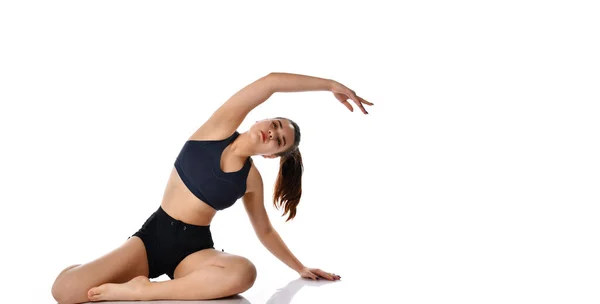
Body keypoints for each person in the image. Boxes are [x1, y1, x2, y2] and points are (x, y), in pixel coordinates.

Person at [51, 72, 374, 303]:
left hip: (194, 249)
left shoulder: (251, 180)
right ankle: (118, 276)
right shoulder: (217, 128)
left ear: (272, 154)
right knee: (65, 291)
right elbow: (271, 82)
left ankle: (143, 292)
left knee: (244, 274)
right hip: (153, 236)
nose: (272, 134)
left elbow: (265, 232)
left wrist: (300, 267)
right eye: (274, 125)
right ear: (262, 120)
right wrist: (330, 84)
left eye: (279, 141)